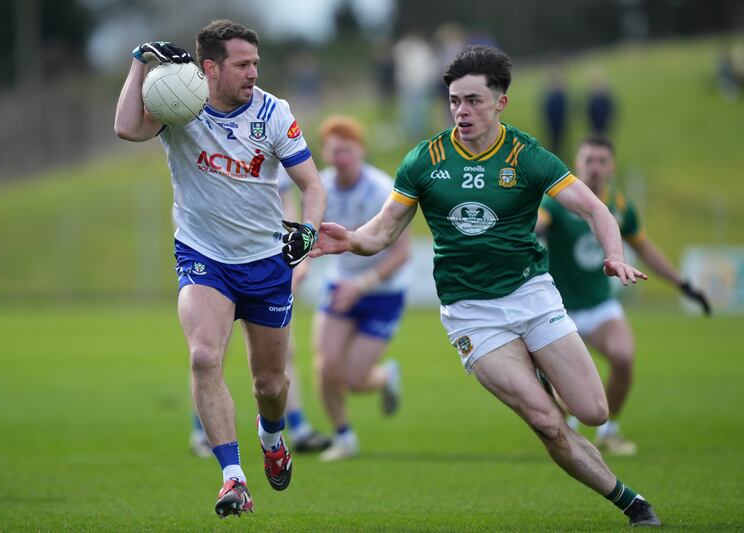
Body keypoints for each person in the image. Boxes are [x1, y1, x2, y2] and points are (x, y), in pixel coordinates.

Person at [311, 45, 661, 527]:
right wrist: (348, 239)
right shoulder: (424, 160)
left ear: (501, 102)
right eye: (454, 100)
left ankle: (540, 371)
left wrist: (615, 255)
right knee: (546, 423)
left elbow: (595, 209)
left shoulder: (528, 156)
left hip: (531, 294)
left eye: (474, 100)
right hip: (470, 311)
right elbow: (384, 230)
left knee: (594, 411)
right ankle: (631, 504)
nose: (462, 111)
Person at [114, 20, 326, 519]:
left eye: (256, 63)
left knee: (270, 386)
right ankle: (233, 479)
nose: (253, 72)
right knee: (204, 357)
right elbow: (126, 128)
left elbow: (313, 187)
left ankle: (272, 437)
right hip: (203, 257)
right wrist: (140, 61)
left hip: (266, 262)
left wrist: (309, 233)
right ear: (209, 68)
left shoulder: (274, 113)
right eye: (242, 64)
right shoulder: (178, 104)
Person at [537, 135, 711, 455]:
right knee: (563, 388)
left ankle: (609, 430)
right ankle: (567, 431)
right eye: (589, 160)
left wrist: (683, 285)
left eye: (602, 161)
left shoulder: (619, 208)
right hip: (560, 308)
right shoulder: (557, 203)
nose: (595, 168)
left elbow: (645, 250)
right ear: (577, 164)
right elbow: (537, 224)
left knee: (624, 357)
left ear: (612, 166)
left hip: (600, 304)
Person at [190, 169, 331, 458]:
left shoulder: (268, 137)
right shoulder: (200, 141)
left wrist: (297, 253)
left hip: (266, 261)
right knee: (208, 354)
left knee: (279, 360)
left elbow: (287, 200)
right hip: (216, 262)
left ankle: (293, 427)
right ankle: (202, 432)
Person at [309, 115, 411, 462]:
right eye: (334, 151)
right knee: (325, 366)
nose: (341, 158)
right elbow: (310, 238)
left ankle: (384, 377)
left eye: (347, 151)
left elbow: (402, 252)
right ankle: (344, 436)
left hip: (383, 292)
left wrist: (363, 285)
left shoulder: (382, 189)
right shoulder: (321, 188)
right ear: (325, 153)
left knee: (354, 378)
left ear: (361, 152)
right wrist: (302, 265)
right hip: (341, 285)